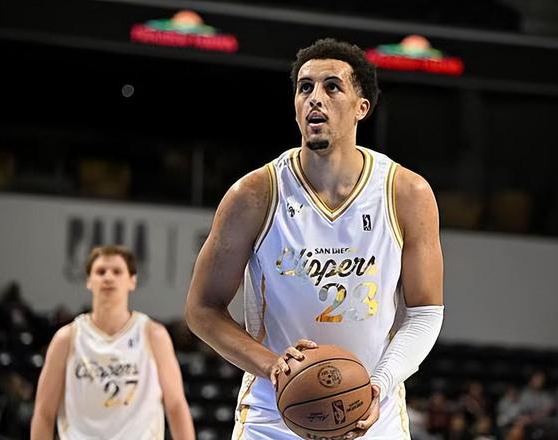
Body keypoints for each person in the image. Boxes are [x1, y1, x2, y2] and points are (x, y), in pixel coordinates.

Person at [185, 38, 445, 439]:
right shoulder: (253, 195)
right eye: (305, 87)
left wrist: (380, 383)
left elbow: (425, 314)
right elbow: (203, 309)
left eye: (332, 86)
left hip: (373, 411)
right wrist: (273, 366)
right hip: (274, 412)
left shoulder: (406, 193)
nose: (315, 98)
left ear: (362, 107)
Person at [31, 245, 195, 440]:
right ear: (89, 281)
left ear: (132, 281)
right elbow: (44, 411)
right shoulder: (66, 338)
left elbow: (176, 405)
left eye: (117, 271)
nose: (108, 277)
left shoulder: (154, 335)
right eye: (100, 272)